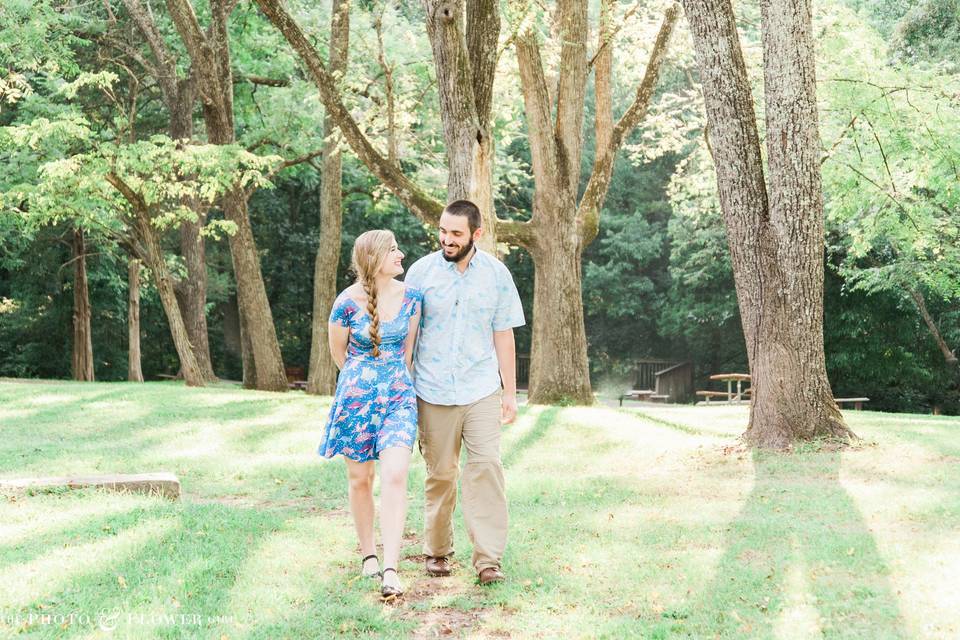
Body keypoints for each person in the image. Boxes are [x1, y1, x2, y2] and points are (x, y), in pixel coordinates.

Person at [404, 199, 525, 586]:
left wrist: (509, 391)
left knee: (486, 467)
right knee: (440, 474)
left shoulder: (497, 274)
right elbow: (409, 335)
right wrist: (403, 385)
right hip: (432, 390)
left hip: (481, 389)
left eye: (456, 233)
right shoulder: (420, 273)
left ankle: (488, 560)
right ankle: (438, 550)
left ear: (477, 233)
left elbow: (503, 334)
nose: (447, 239)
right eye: (443, 231)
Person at [319, 229, 422, 599]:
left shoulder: (412, 298)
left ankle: (392, 568)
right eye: (393, 250)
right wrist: (364, 384)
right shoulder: (345, 304)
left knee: (395, 475)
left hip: (398, 398)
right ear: (374, 259)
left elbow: (407, 353)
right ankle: (369, 555)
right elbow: (339, 355)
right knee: (361, 480)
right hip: (356, 401)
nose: (400, 254)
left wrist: (392, 384)